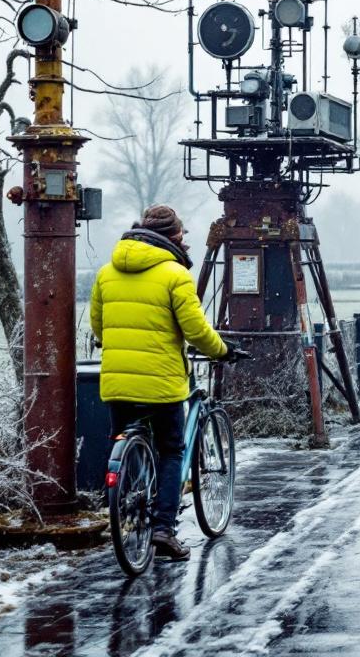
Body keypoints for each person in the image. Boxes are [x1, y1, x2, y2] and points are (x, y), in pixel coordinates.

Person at [90, 204, 235, 562]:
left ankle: (127, 504)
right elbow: (195, 330)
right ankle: (163, 530)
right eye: (182, 235)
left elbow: (99, 327)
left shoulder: (107, 272)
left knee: (125, 438)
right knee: (172, 450)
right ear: (174, 236)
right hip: (162, 383)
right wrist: (222, 350)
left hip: (117, 382)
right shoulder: (175, 274)